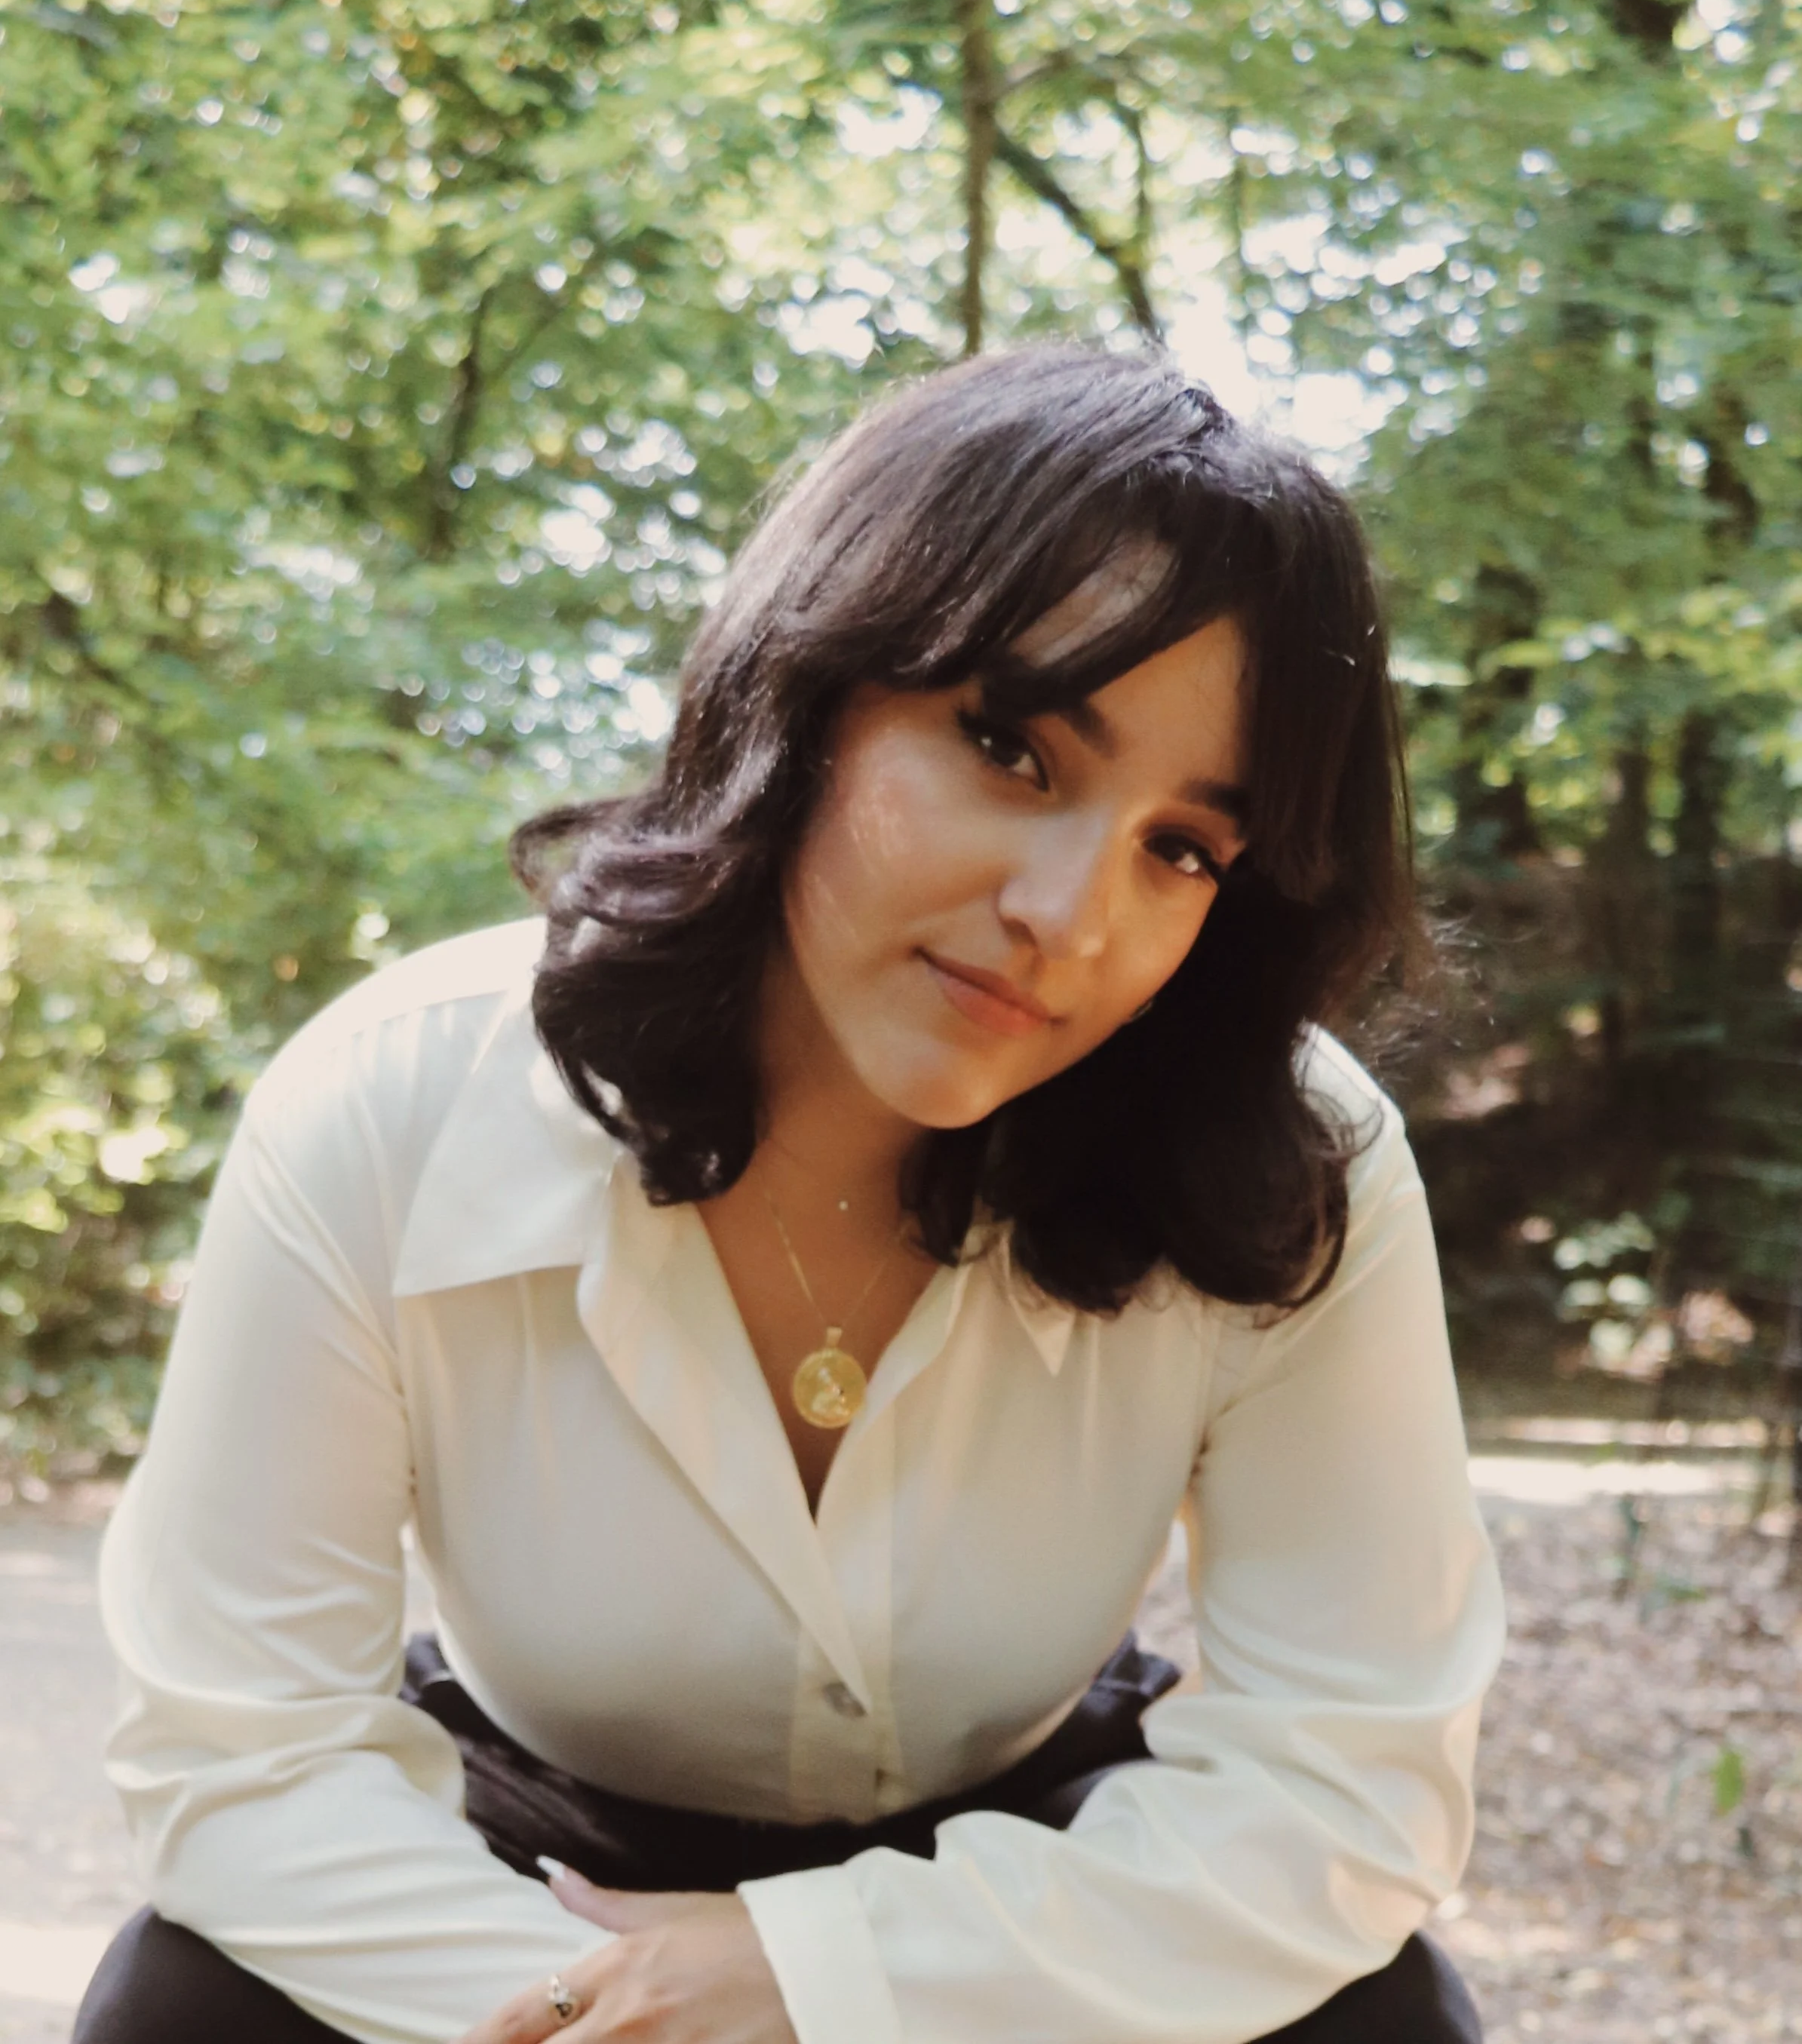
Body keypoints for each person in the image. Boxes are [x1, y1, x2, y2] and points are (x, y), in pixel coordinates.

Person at [76, 345, 1503, 2044]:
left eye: (1184, 847)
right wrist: (623, 2017)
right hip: (537, 1871)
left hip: (1025, 1857)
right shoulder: (390, 1106)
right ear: (810, 688)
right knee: (182, 2004)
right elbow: (241, 1753)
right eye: (1013, 748)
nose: (1076, 914)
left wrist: (831, 1986)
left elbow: (1347, 1780)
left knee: (1384, 2016)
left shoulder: (1290, 1164)